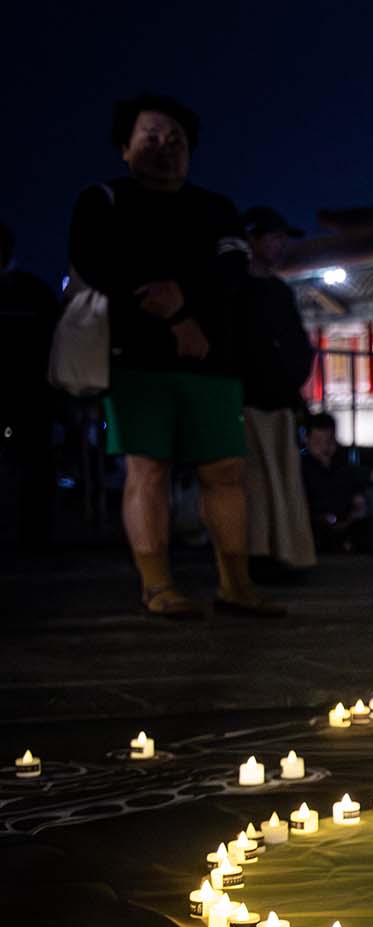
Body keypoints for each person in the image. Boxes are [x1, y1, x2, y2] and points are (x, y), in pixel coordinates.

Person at [69, 93, 280, 618]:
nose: (165, 148)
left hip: (213, 361)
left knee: (225, 471)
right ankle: (157, 585)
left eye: (177, 140)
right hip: (135, 359)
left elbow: (232, 272)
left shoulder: (216, 208)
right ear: (125, 146)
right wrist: (178, 316)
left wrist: (182, 303)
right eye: (151, 137)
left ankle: (236, 583)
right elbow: (98, 265)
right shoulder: (103, 200)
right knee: (148, 470)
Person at [236, 206, 317, 582]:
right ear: (251, 239)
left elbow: (297, 343)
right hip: (246, 395)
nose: (281, 245)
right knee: (254, 479)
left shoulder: (280, 290)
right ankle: (257, 552)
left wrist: (294, 379)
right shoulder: (235, 285)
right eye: (273, 237)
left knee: (280, 477)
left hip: (279, 395)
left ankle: (284, 552)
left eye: (283, 238)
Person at [0, 220, 60, 553]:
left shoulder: (32, 292)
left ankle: (33, 537)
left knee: (34, 469)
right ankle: (33, 537)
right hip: (32, 396)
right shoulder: (34, 290)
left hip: (30, 397)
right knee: (33, 468)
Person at [300, 413, 373, 552]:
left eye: (329, 441)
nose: (324, 447)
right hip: (317, 524)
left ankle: (345, 543)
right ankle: (343, 544)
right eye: (318, 442)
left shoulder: (342, 465)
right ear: (307, 440)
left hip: (347, 522)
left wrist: (354, 513)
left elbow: (358, 497)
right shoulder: (302, 468)